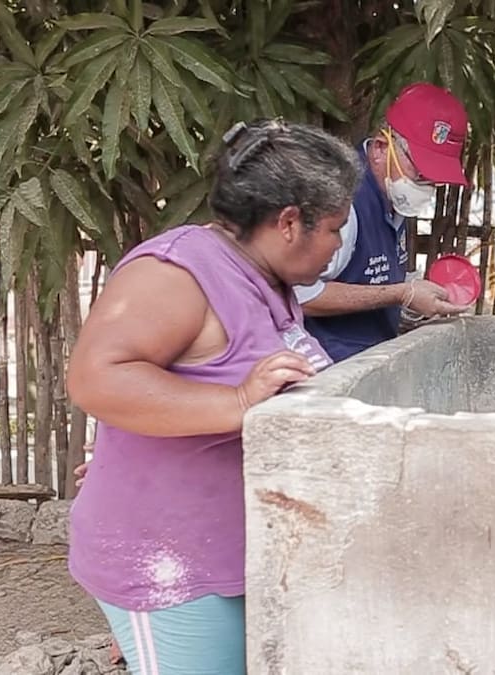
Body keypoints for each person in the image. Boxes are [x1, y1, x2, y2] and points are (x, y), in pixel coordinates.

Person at [65, 120, 361, 674]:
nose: (340, 245)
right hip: (167, 561)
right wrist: (239, 403)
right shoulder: (177, 272)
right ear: (289, 223)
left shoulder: (264, 279)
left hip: (225, 553)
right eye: (335, 229)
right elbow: (95, 378)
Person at [295, 82, 474, 362]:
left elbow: (374, 279)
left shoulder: (392, 193)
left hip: (370, 360)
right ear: (381, 148)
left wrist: (412, 301)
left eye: (434, 180)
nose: (427, 186)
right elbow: (301, 295)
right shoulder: (342, 199)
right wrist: (401, 294)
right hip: (325, 366)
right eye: (421, 174)